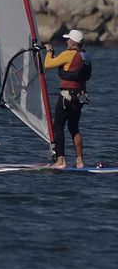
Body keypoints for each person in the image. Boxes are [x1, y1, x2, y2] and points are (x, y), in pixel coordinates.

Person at [44, 28, 92, 170]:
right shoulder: (86, 57)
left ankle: (61, 161)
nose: (66, 42)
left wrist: (49, 51)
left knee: (58, 126)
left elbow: (48, 64)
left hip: (66, 96)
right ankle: (79, 161)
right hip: (79, 97)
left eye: (69, 40)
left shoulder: (68, 55)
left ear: (73, 43)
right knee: (74, 128)